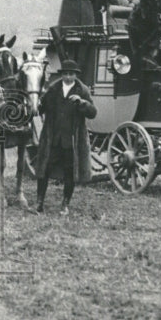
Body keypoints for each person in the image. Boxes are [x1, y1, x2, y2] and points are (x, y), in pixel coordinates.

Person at [36, 59, 96, 215]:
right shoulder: (53, 89)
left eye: (71, 74)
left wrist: (82, 102)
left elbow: (93, 112)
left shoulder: (82, 90)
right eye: (65, 74)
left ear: (75, 75)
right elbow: (41, 108)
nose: (68, 77)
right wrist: (35, 105)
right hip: (52, 139)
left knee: (70, 172)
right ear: (61, 74)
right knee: (44, 170)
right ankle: (39, 202)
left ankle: (65, 204)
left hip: (71, 141)